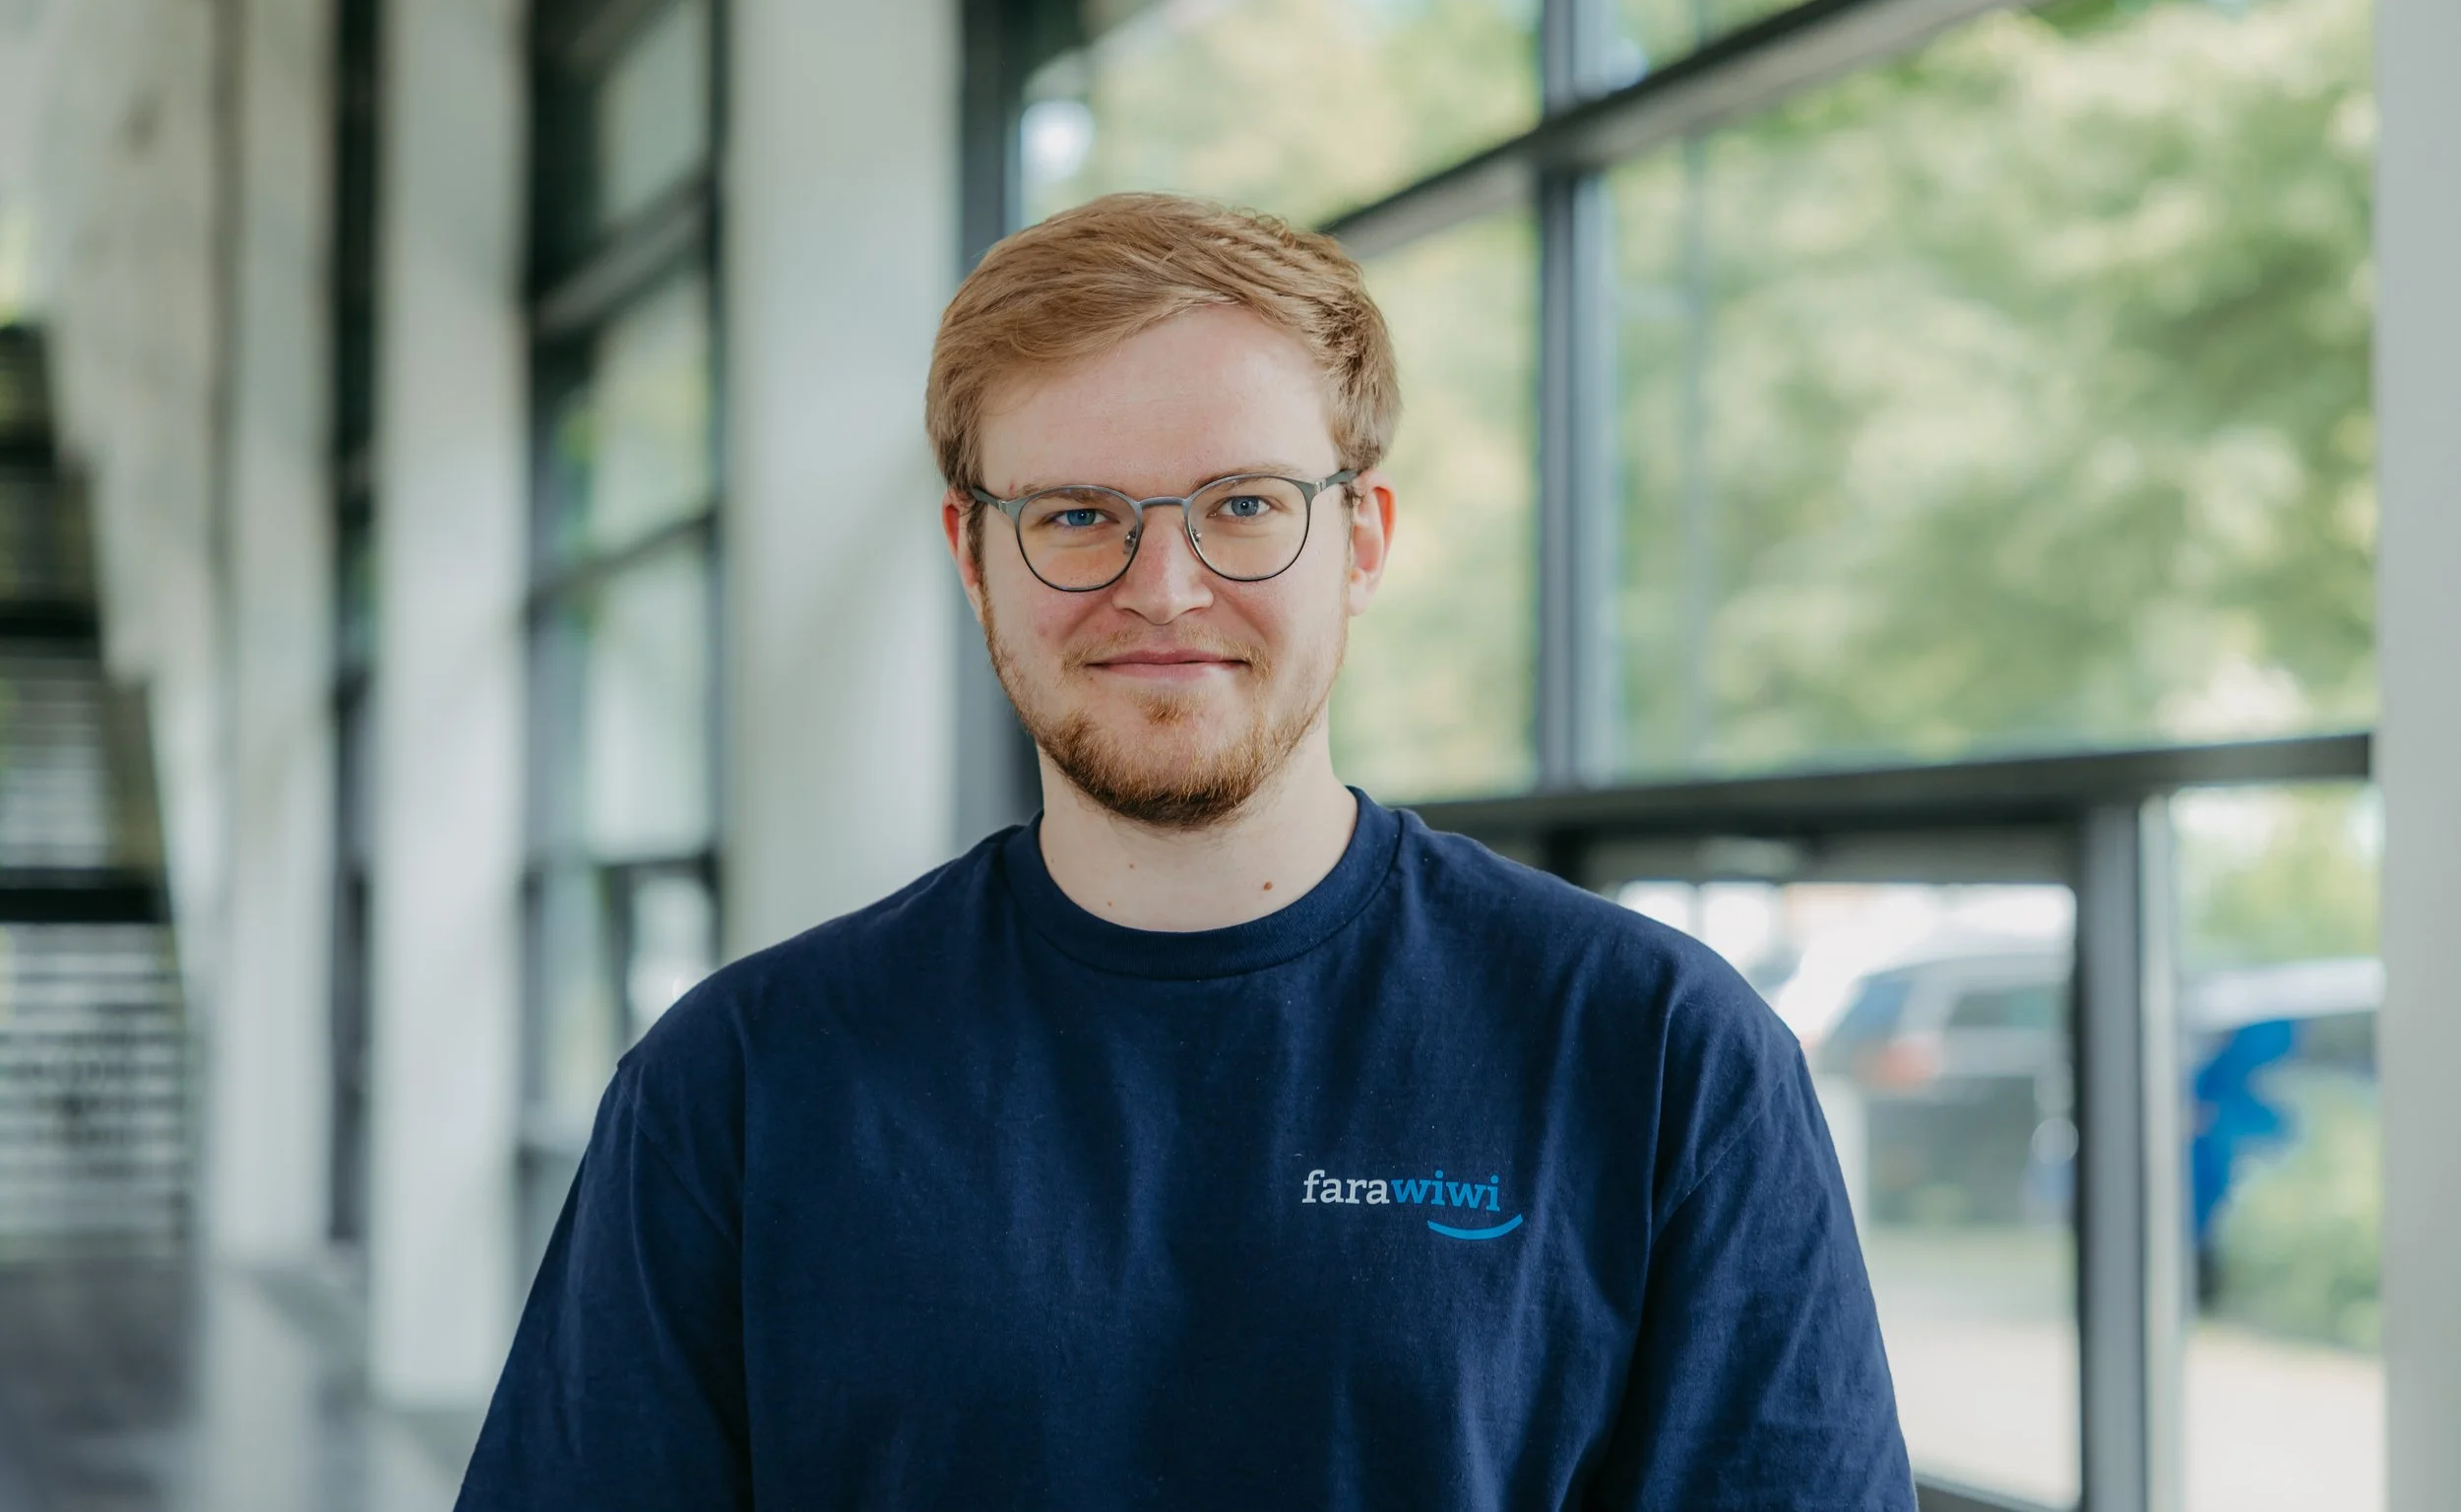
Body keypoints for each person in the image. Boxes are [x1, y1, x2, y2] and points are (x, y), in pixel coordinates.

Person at [455, 193, 1916, 1510]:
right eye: (1077, 515)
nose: (1163, 587)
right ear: (975, 559)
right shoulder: (744, 1080)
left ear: (1360, 543)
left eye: (1243, 507)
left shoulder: (1655, 1053)